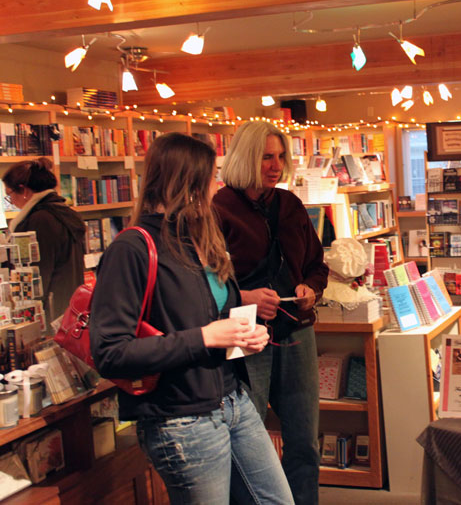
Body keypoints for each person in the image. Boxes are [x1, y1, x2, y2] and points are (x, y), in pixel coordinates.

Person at [90, 133, 293, 504]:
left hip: (233, 401)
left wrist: (241, 333)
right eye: (208, 179)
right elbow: (110, 353)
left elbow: (208, 314)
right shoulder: (132, 249)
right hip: (180, 419)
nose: (215, 187)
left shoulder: (197, 237)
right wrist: (207, 337)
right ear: (183, 182)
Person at [213, 121, 328, 505]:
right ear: (247, 157)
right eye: (266, 157)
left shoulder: (291, 205)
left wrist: (310, 289)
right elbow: (204, 284)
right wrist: (243, 295)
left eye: (280, 156)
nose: (275, 165)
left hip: (296, 330)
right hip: (245, 333)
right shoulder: (219, 210)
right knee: (249, 442)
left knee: (304, 440)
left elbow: (316, 264)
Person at [3, 158, 85, 323]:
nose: (10, 201)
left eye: (9, 195)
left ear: (23, 190)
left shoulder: (38, 221)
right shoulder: (62, 212)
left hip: (49, 315)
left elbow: (37, 276)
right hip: (68, 309)